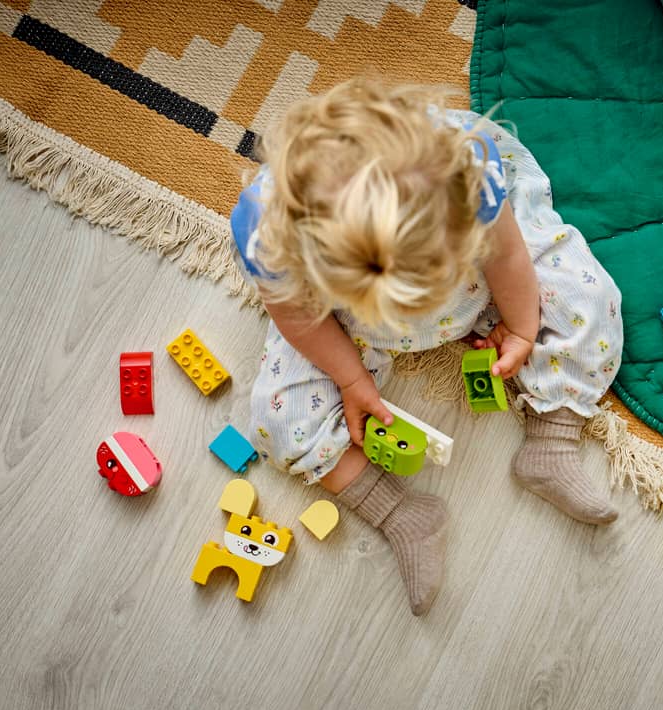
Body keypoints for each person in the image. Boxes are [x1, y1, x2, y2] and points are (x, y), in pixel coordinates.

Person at [231, 78, 623, 615]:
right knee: (278, 420)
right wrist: (350, 377)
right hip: (347, 320)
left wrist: (521, 328)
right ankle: (401, 515)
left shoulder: (463, 169)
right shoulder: (269, 235)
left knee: (587, 297)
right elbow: (298, 318)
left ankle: (552, 440)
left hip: (485, 267)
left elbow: (507, 256)